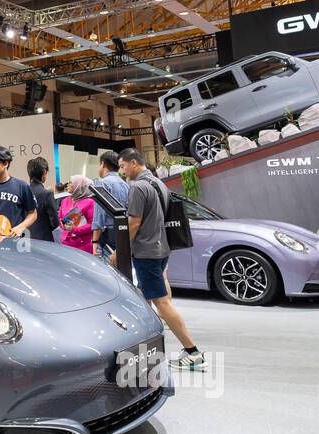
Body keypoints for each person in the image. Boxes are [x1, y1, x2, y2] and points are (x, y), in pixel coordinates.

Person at [119, 148, 207, 371]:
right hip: (161, 248)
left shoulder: (138, 187)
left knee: (162, 303)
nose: (122, 171)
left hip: (146, 251)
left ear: (133, 163)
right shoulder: (159, 183)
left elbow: (134, 222)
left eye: (123, 166)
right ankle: (143, 348)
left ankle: (192, 352)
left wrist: (120, 250)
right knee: (149, 300)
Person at [90, 151, 130, 258]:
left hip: (108, 236)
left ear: (102, 164)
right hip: (124, 231)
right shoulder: (126, 184)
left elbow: (99, 215)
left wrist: (95, 242)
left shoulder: (101, 183)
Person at [57, 175, 98, 254]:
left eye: (71, 182)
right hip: (65, 242)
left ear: (78, 186)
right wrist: (62, 224)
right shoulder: (65, 200)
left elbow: (92, 224)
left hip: (82, 244)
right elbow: (60, 218)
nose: (68, 185)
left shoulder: (89, 202)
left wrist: (74, 229)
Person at [26, 157, 60, 242]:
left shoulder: (23, 193)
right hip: (44, 239)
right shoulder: (46, 194)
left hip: (26, 239)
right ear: (44, 172)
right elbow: (55, 223)